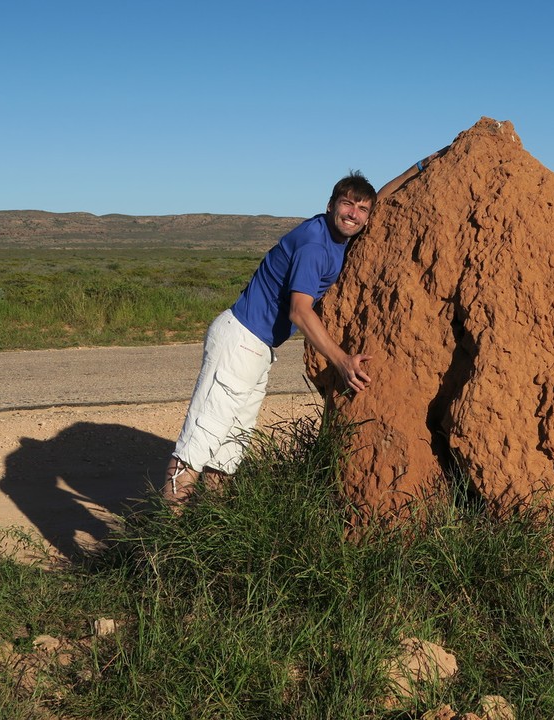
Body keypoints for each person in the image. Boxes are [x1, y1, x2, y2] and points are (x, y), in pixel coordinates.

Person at [163, 154, 440, 506]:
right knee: (197, 445)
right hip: (240, 341)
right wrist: (340, 360)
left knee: (227, 452)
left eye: (361, 209)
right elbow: (299, 310)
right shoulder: (314, 245)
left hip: (257, 348)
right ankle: (165, 547)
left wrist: (417, 168)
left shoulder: (336, 234)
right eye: (346, 205)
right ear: (330, 205)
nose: (354, 214)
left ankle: (208, 525)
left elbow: (378, 199)